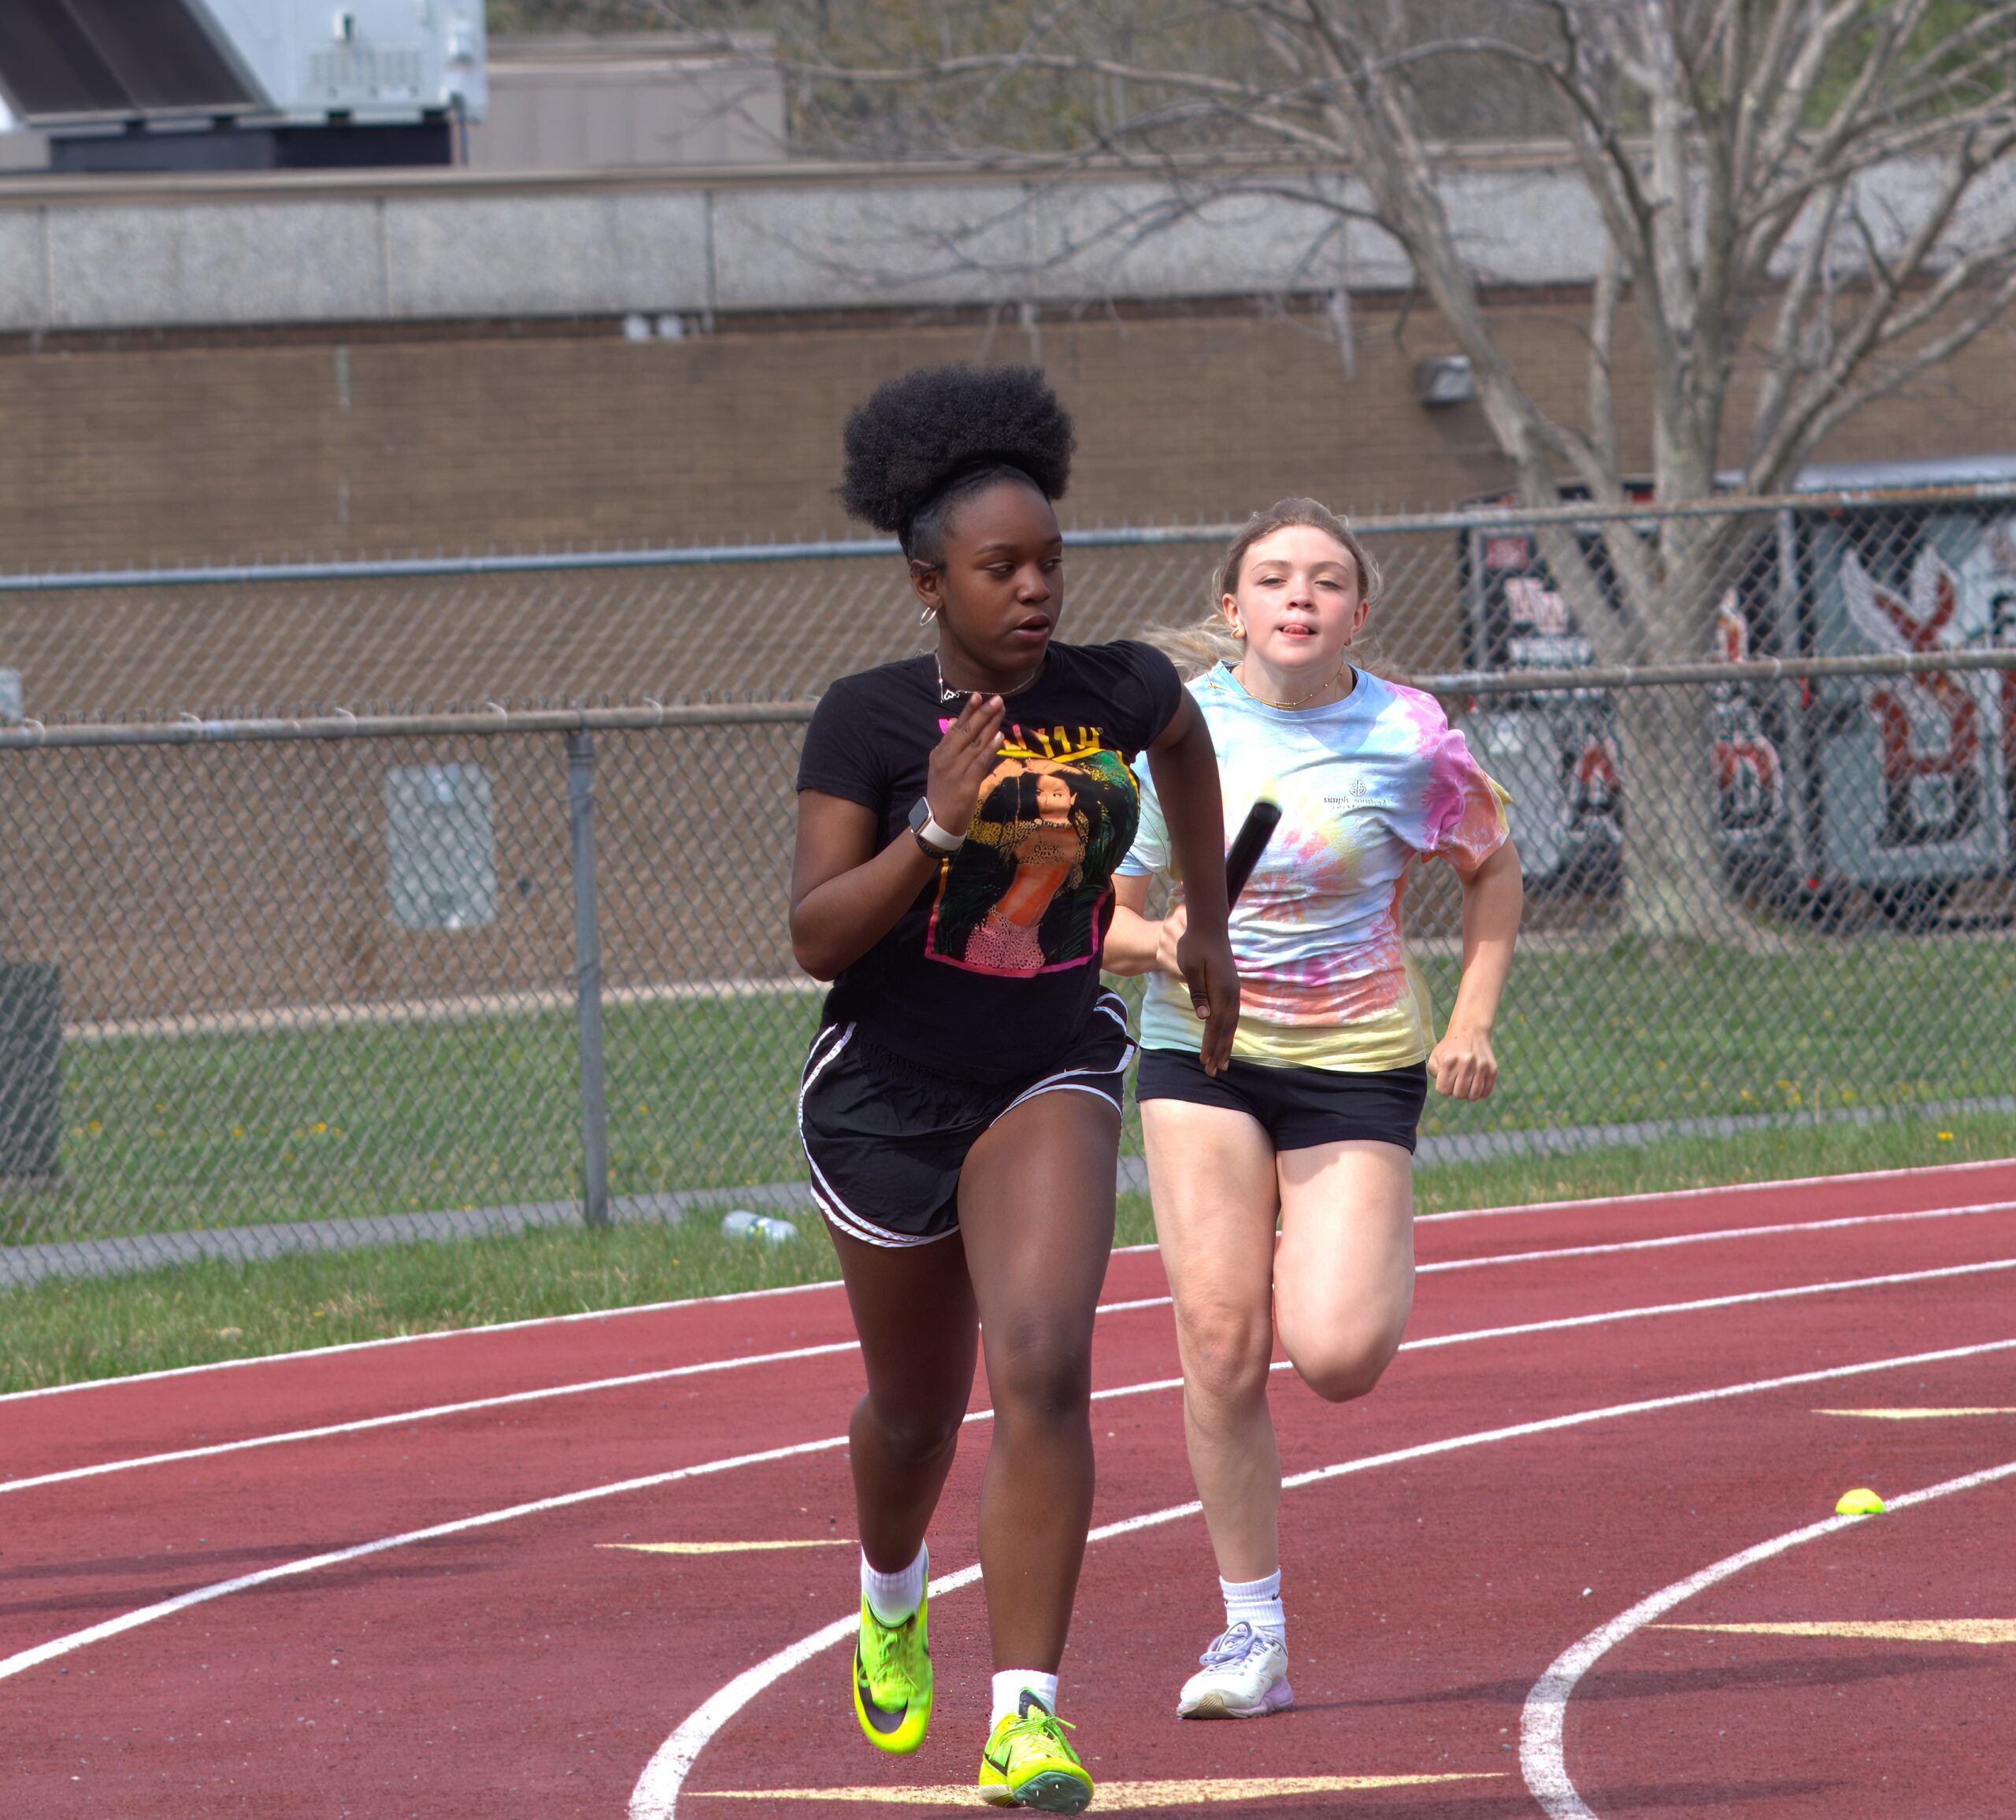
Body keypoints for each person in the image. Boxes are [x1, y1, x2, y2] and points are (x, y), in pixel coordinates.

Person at [789, 363, 1240, 1813]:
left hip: (1049, 1061)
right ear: (930, 582)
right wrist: (932, 828)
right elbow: (816, 939)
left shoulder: (1115, 686)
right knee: (914, 1417)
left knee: (1041, 1361)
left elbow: (1185, 740)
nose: (1036, 588)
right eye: (1002, 568)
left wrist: (1208, 923)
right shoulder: (868, 720)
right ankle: (891, 1589)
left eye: (1051, 560)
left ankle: (1025, 1718)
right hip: (889, 1093)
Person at [1102, 497, 1521, 1721]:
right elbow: (1105, 918)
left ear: (1359, 613)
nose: (1301, 595)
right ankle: (1254, 1635)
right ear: (1233, 607)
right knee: (1222, 1345)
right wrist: (1166, 943)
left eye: (1327, 580)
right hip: (1203, 1055)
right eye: (1276, 577)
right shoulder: (1173, 732)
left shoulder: (1409, 735)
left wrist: (1471, 1020)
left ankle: (1339, 1237)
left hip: (1355, 1061)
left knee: (1334, 1354)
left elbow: (1491, 867)